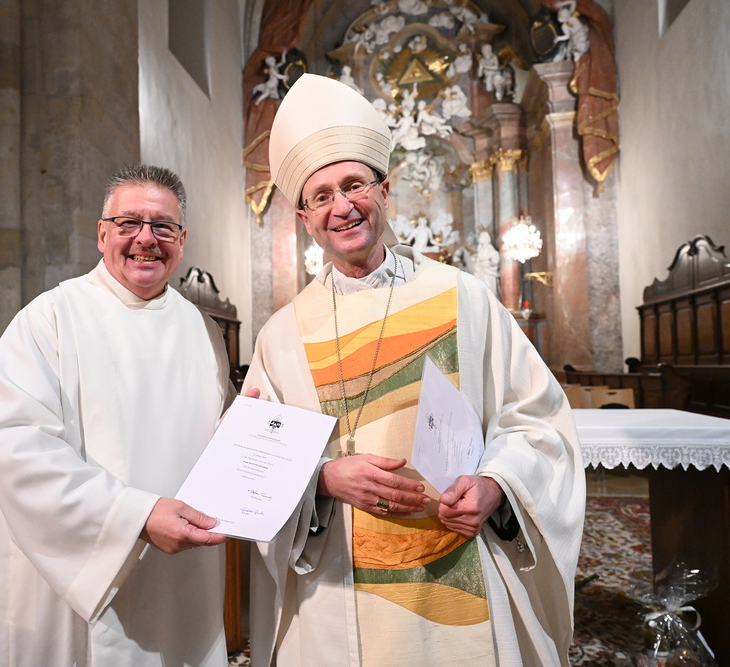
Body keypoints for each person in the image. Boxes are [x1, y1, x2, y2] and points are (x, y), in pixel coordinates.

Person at [246, 73, 585, 666]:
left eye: (354, 185)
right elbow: (255, 455)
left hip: (462, 554)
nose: (342, 207)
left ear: (384, 190)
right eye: (321, 196)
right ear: (304, 218)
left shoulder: (464, 296)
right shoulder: (282, 334)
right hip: (339, 581)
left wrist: (496, 484)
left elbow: (537, 420)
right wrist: (323, 479)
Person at [0, 164, 237, 665]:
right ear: (102, 234)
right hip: (81, 578)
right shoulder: (49, 319)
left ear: (182, 240)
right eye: (129, 223)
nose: (146, 238)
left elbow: (222, 429)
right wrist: (134, 516)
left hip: (184, 573)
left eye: (163, 226)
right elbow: (18, 449)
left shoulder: (203, 330)